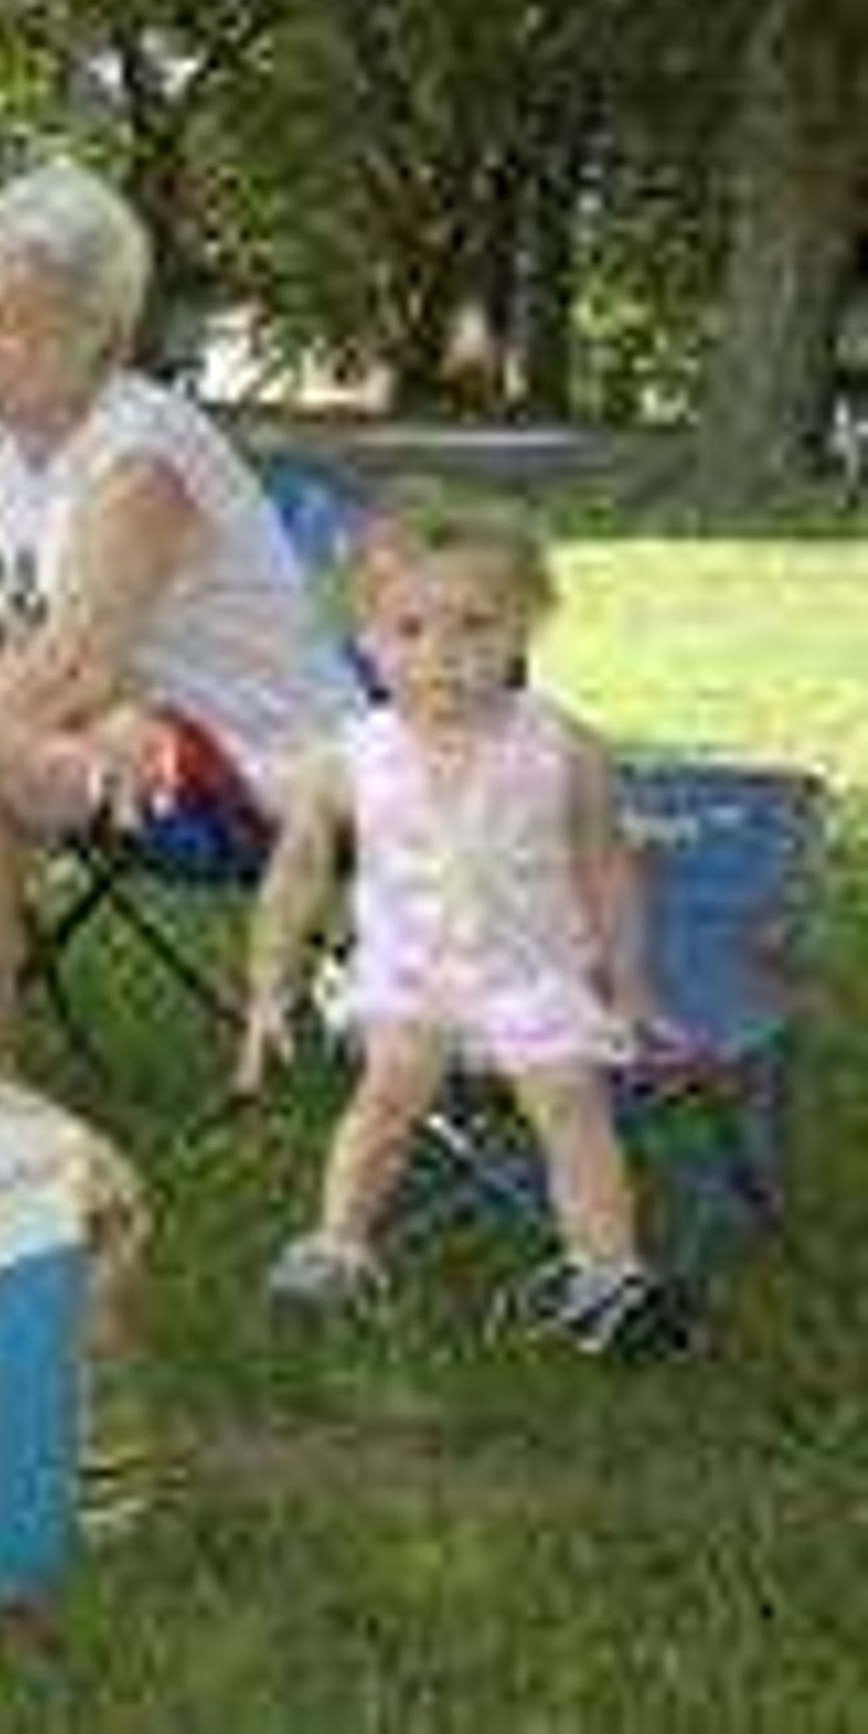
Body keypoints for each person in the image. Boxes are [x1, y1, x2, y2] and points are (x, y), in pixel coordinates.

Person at [0, 162, 359, 1073]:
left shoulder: (141, 454)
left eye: (6, 323)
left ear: (96, 333)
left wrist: (88, 698)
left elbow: (55, 673)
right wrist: (97, 703)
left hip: (252, 766)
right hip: (123, 735)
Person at [237, 496, 674, 1353]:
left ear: (525, 629)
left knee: (568, 1095)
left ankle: (607, 1274)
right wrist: (268, 990)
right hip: (409, 972)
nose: (441, 656)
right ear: (364, 638)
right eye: (409, 629)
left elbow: (606, 869)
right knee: (392, 1081)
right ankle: (338, 1245)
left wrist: (629, 981)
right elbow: (295, 877)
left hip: (533, 969)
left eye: (473, 627)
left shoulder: (563, 749)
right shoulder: (350, 756)